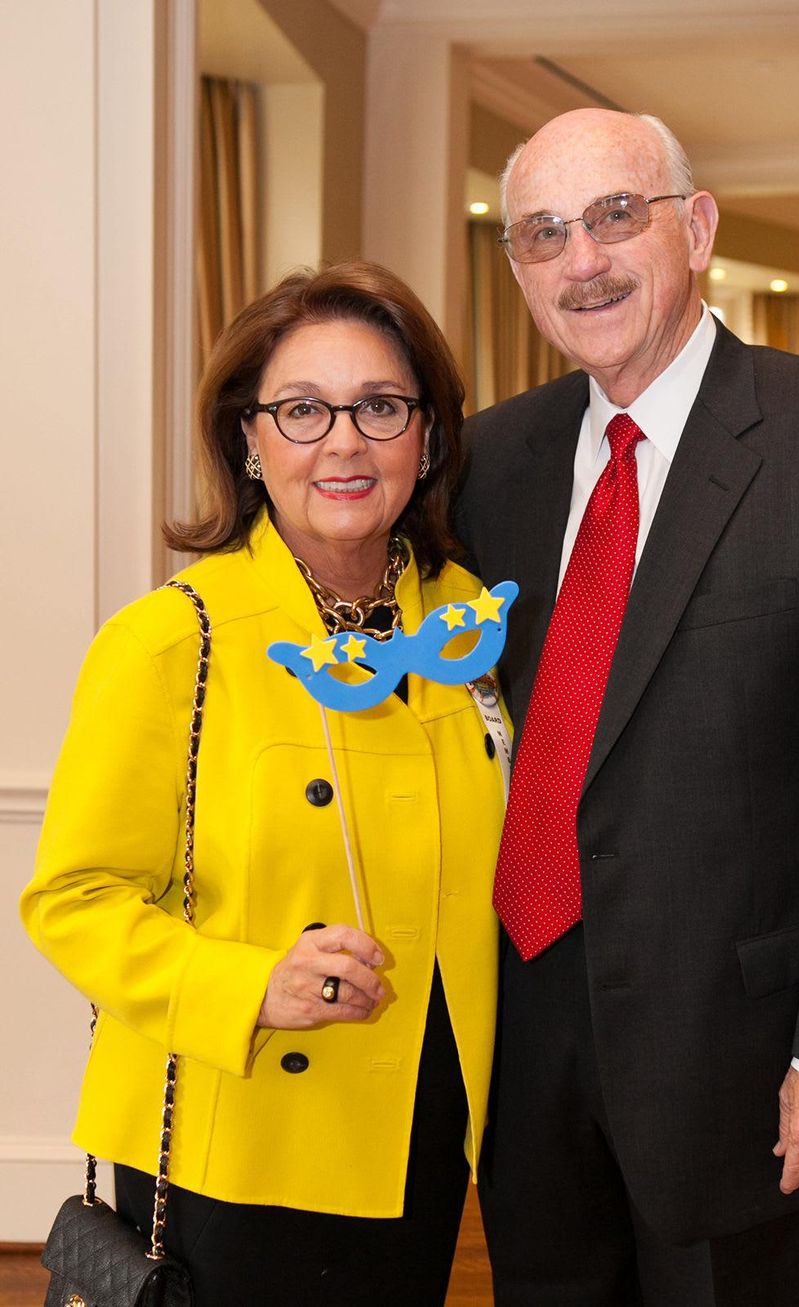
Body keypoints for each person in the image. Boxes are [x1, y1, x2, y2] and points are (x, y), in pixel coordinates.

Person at [457, 108, 799, 1307]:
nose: (582, 260)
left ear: (694, 228)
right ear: (518, 268)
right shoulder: (487, 462)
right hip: (521, 1034)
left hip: (743, 1054)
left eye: (613, 216)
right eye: (542, 233)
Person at [21, 263, 508, 1307]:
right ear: (249, 438)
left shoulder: (467, 624)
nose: (344, 442)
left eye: (380, 406)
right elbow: (72, 898)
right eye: (302, 410)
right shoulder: (173, 638)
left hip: (422, 1126)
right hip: (235, 1126)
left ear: (426, 436)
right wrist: (250, 985)